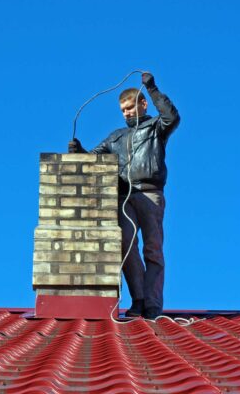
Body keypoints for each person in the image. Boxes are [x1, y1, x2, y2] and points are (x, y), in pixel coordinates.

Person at [69, 72, 180, 319]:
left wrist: (151, 88)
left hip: (150, 194)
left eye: (130, 107)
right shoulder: (116, 136)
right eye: (122, 110)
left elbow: (172, 117)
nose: (126, 113)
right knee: (125, 245)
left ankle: (152, 305)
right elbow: (94, 158)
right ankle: (138, 300)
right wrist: (79, 151)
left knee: (153, 249)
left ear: (142, 105)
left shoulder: (156, 127)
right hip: (123, 196)